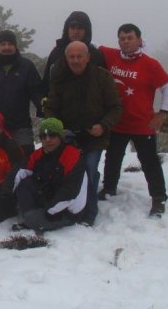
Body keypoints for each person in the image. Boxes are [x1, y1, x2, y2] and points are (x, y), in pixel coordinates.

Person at [98, 24, 168, 217]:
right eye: (122, 38)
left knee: (149, 162)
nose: (125, 41)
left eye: (130, 37)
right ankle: (109, 188)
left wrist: (162, 113)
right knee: (113, 157)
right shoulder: (111, 55)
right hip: (117, 122)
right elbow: (89, 44)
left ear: (139, 40)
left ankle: (159, 198)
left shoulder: (150, 64)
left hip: (143, 124)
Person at [44, 41, 122, 226]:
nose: (76, 60)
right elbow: (50, 107)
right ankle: (65, 207)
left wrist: (103, 126)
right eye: (72, 56)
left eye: (80, 56)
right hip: (68, 135)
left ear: (88, 57)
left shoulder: (101, 77)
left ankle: (89, 213)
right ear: (66, 58)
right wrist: (57, 128)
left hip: (94, 136)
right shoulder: (60, 77)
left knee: (88, 169)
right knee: (65, 171)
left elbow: (116, 107)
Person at [0, 30, 43, 157]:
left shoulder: (27, 66)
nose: (6, 47)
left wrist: (45, 108)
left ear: (15, 46)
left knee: (25, 163)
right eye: (3, 44)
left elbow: (37, 92)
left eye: (10, 44)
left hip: (20, 126)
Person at [14, 118, 88, 232]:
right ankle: (32, 217)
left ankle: (34, 220)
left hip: (67, 209)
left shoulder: (71, 155)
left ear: (60, 137)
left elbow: (70, 191)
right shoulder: (39, 154)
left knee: (32, 218)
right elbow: (21, 173)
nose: (47, 140)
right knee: (25, 183)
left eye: (52, 135)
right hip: (50, 198)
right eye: (43, 136)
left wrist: (48, 212)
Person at [41, 11, 106, 96]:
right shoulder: (56, 53)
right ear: (67, 29)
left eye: (80, 28)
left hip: (89, 106)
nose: (76, 31)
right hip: (60, 106)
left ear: (86, 30)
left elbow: (105, 88)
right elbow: (47, 84)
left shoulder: (96, 56)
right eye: (72, 27)